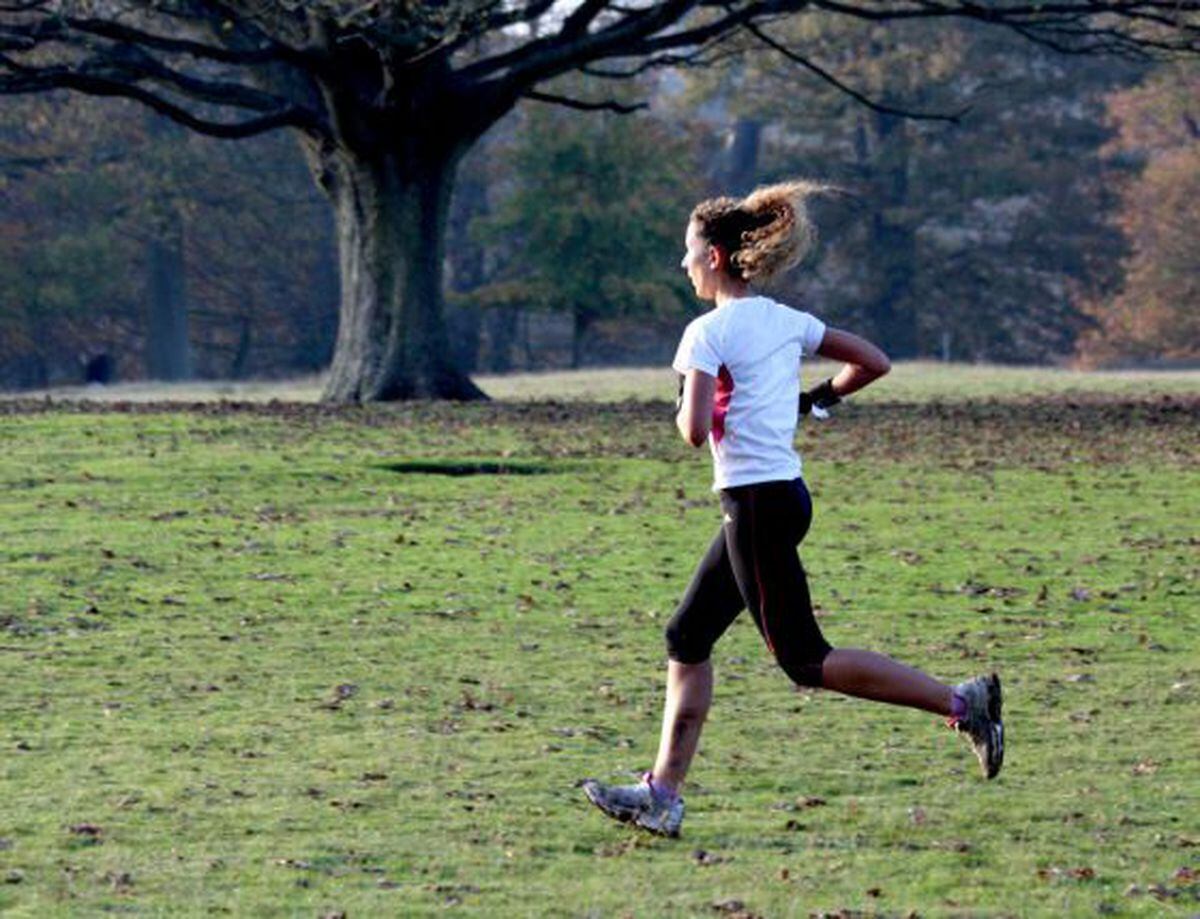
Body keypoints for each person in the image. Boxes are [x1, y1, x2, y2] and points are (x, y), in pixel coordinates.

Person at [582, 181, 1003, 838]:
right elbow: (873, 360)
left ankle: (963, 702)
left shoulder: (705, 333)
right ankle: (661, 793)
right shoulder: (785, 320)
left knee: (805, 660)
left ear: (716, 257)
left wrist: (694, 404)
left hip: (753, 506)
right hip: (782, 498)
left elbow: (692, 432)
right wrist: (818, 400)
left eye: (689, 252)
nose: (683, 264)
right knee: (686, 637)